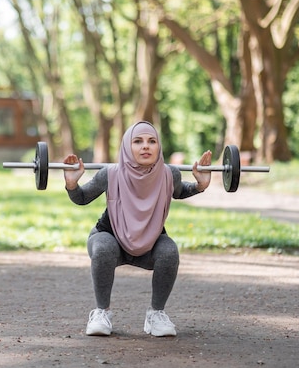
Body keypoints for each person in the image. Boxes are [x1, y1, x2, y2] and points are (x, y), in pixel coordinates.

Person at [63, 121, 212, 336]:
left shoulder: (170, 174)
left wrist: (200, 186)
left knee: (169, 251)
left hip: (150, 242)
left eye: (152, 141)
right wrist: (71, 184)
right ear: (126, 147)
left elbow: (179, 191)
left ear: (158, 147)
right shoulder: (110, 173)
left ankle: (156, 315)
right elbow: (83, 197)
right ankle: (101, 312)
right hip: (110, 237)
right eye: (138, 141)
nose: (146, 146)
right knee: (103, 247)